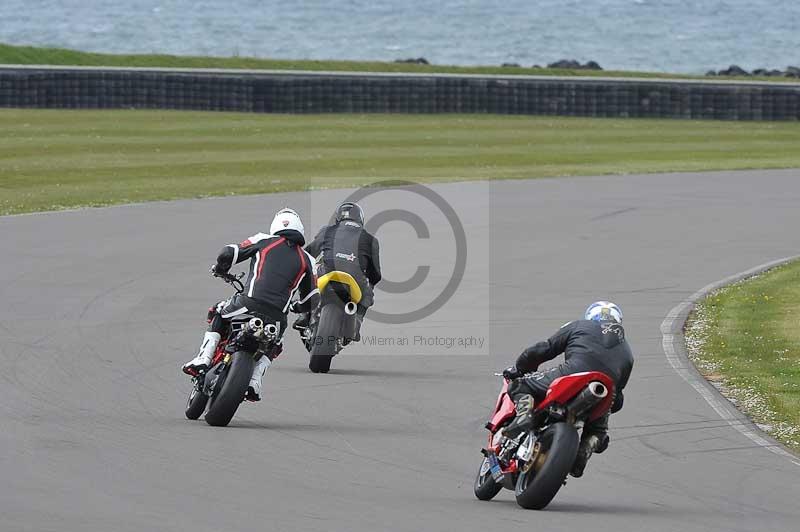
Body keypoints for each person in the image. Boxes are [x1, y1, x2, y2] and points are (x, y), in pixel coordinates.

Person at [182, 208, 319, 401]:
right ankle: (254, 381)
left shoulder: (263, 240)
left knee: (218, 312)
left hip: (248, 303)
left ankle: (203, 358)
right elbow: (313, 299)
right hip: (278, 317)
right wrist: (298, 307)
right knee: (274, 345)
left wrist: (222, 268)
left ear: (275, 226)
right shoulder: (309, 260)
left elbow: (227, 252)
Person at [501, 301, 634, 477]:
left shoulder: (580, 325)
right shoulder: (628, 352)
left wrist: (520, 369)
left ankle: (524, 415)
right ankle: (585, 448)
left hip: (572, 372)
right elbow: (618, 400)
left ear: (590, 316)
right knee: (598, 431)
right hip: (605, 391)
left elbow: (544, 349)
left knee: (519, 384)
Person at [295, 201, 381, 341]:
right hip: (355, 281)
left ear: (338, 217)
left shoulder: (326, 231)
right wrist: (368, 281)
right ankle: (356, 323)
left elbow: (308, 254)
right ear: (360, 219)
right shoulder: (372, 240)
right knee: (368, 293)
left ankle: (304, 315)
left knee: (306, 272)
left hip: (326, 274)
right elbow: (376, 275)